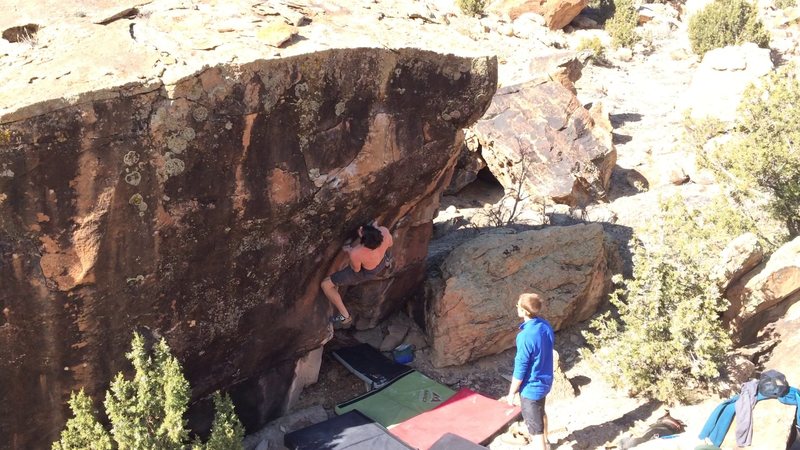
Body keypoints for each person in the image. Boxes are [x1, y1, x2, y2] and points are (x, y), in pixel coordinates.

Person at [502, 292, 555, 450]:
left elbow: (521, 368)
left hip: (531, 388)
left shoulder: (525, 336)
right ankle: (548, 442)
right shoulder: (545, 325)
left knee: (535, 429)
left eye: (518, 305)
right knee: (541, 412)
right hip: (545, 380)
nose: (516, 307)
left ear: (525, 311)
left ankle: (542, 446)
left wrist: (511, 393)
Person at [321, 220, 393, 328]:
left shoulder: (357, 252)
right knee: (382, 257)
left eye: (361, 232)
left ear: (364, 242)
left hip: (365, 272)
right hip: (380, 261)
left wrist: (350, 252)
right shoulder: (384, 232)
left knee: (326, 285)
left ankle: (345, 316)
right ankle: (387, 262)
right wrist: (375, 227)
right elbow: (390, 244)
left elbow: (356, 270)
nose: (360, 229)